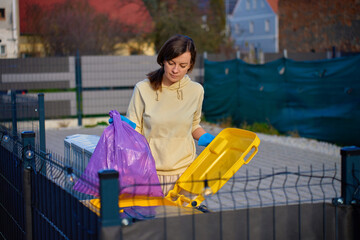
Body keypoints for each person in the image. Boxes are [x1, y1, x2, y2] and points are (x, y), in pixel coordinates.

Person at [118, 34, 215, 195]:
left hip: (186, 173)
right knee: (154, 220)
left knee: (183, 219)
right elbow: (135, 128)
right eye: (171, 63)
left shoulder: (196, 91)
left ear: (190, 65)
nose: (176, 70)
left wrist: (208, 139)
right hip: (150, 173)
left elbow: (193, 125)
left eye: (182, 65)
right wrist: (124, 128)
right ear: (163, 60)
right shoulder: (143, 89)